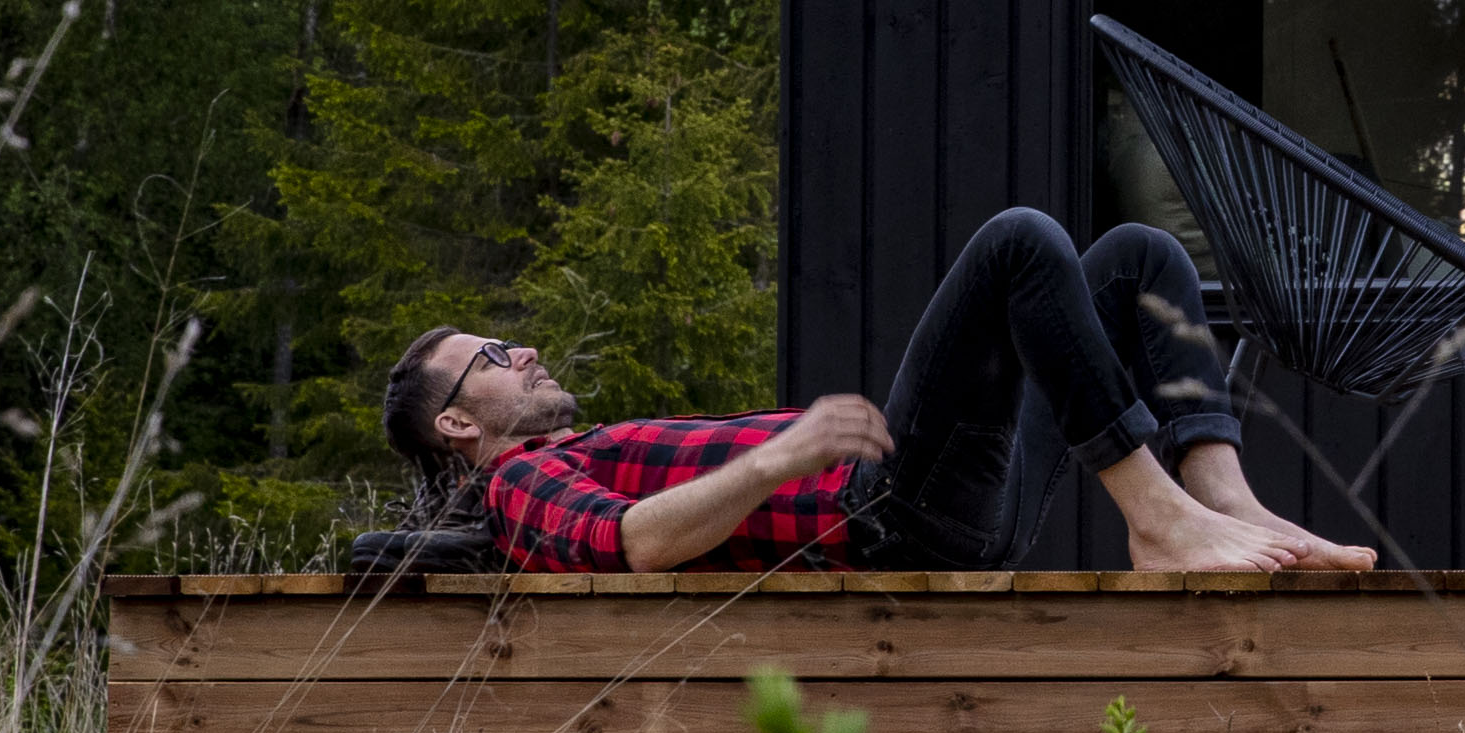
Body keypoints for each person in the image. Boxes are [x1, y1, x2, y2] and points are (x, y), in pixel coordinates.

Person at [382, 208, 1377, 575]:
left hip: (946, 514)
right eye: (494, 356)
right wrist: (782, 455)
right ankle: (1159, 520)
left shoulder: (572, 452)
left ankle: (1225, 503)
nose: (525, 354)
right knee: (1019, 246)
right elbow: (631, 544)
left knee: (1136, 256)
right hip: (885, 517)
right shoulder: (515, 488)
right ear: (457, 422)